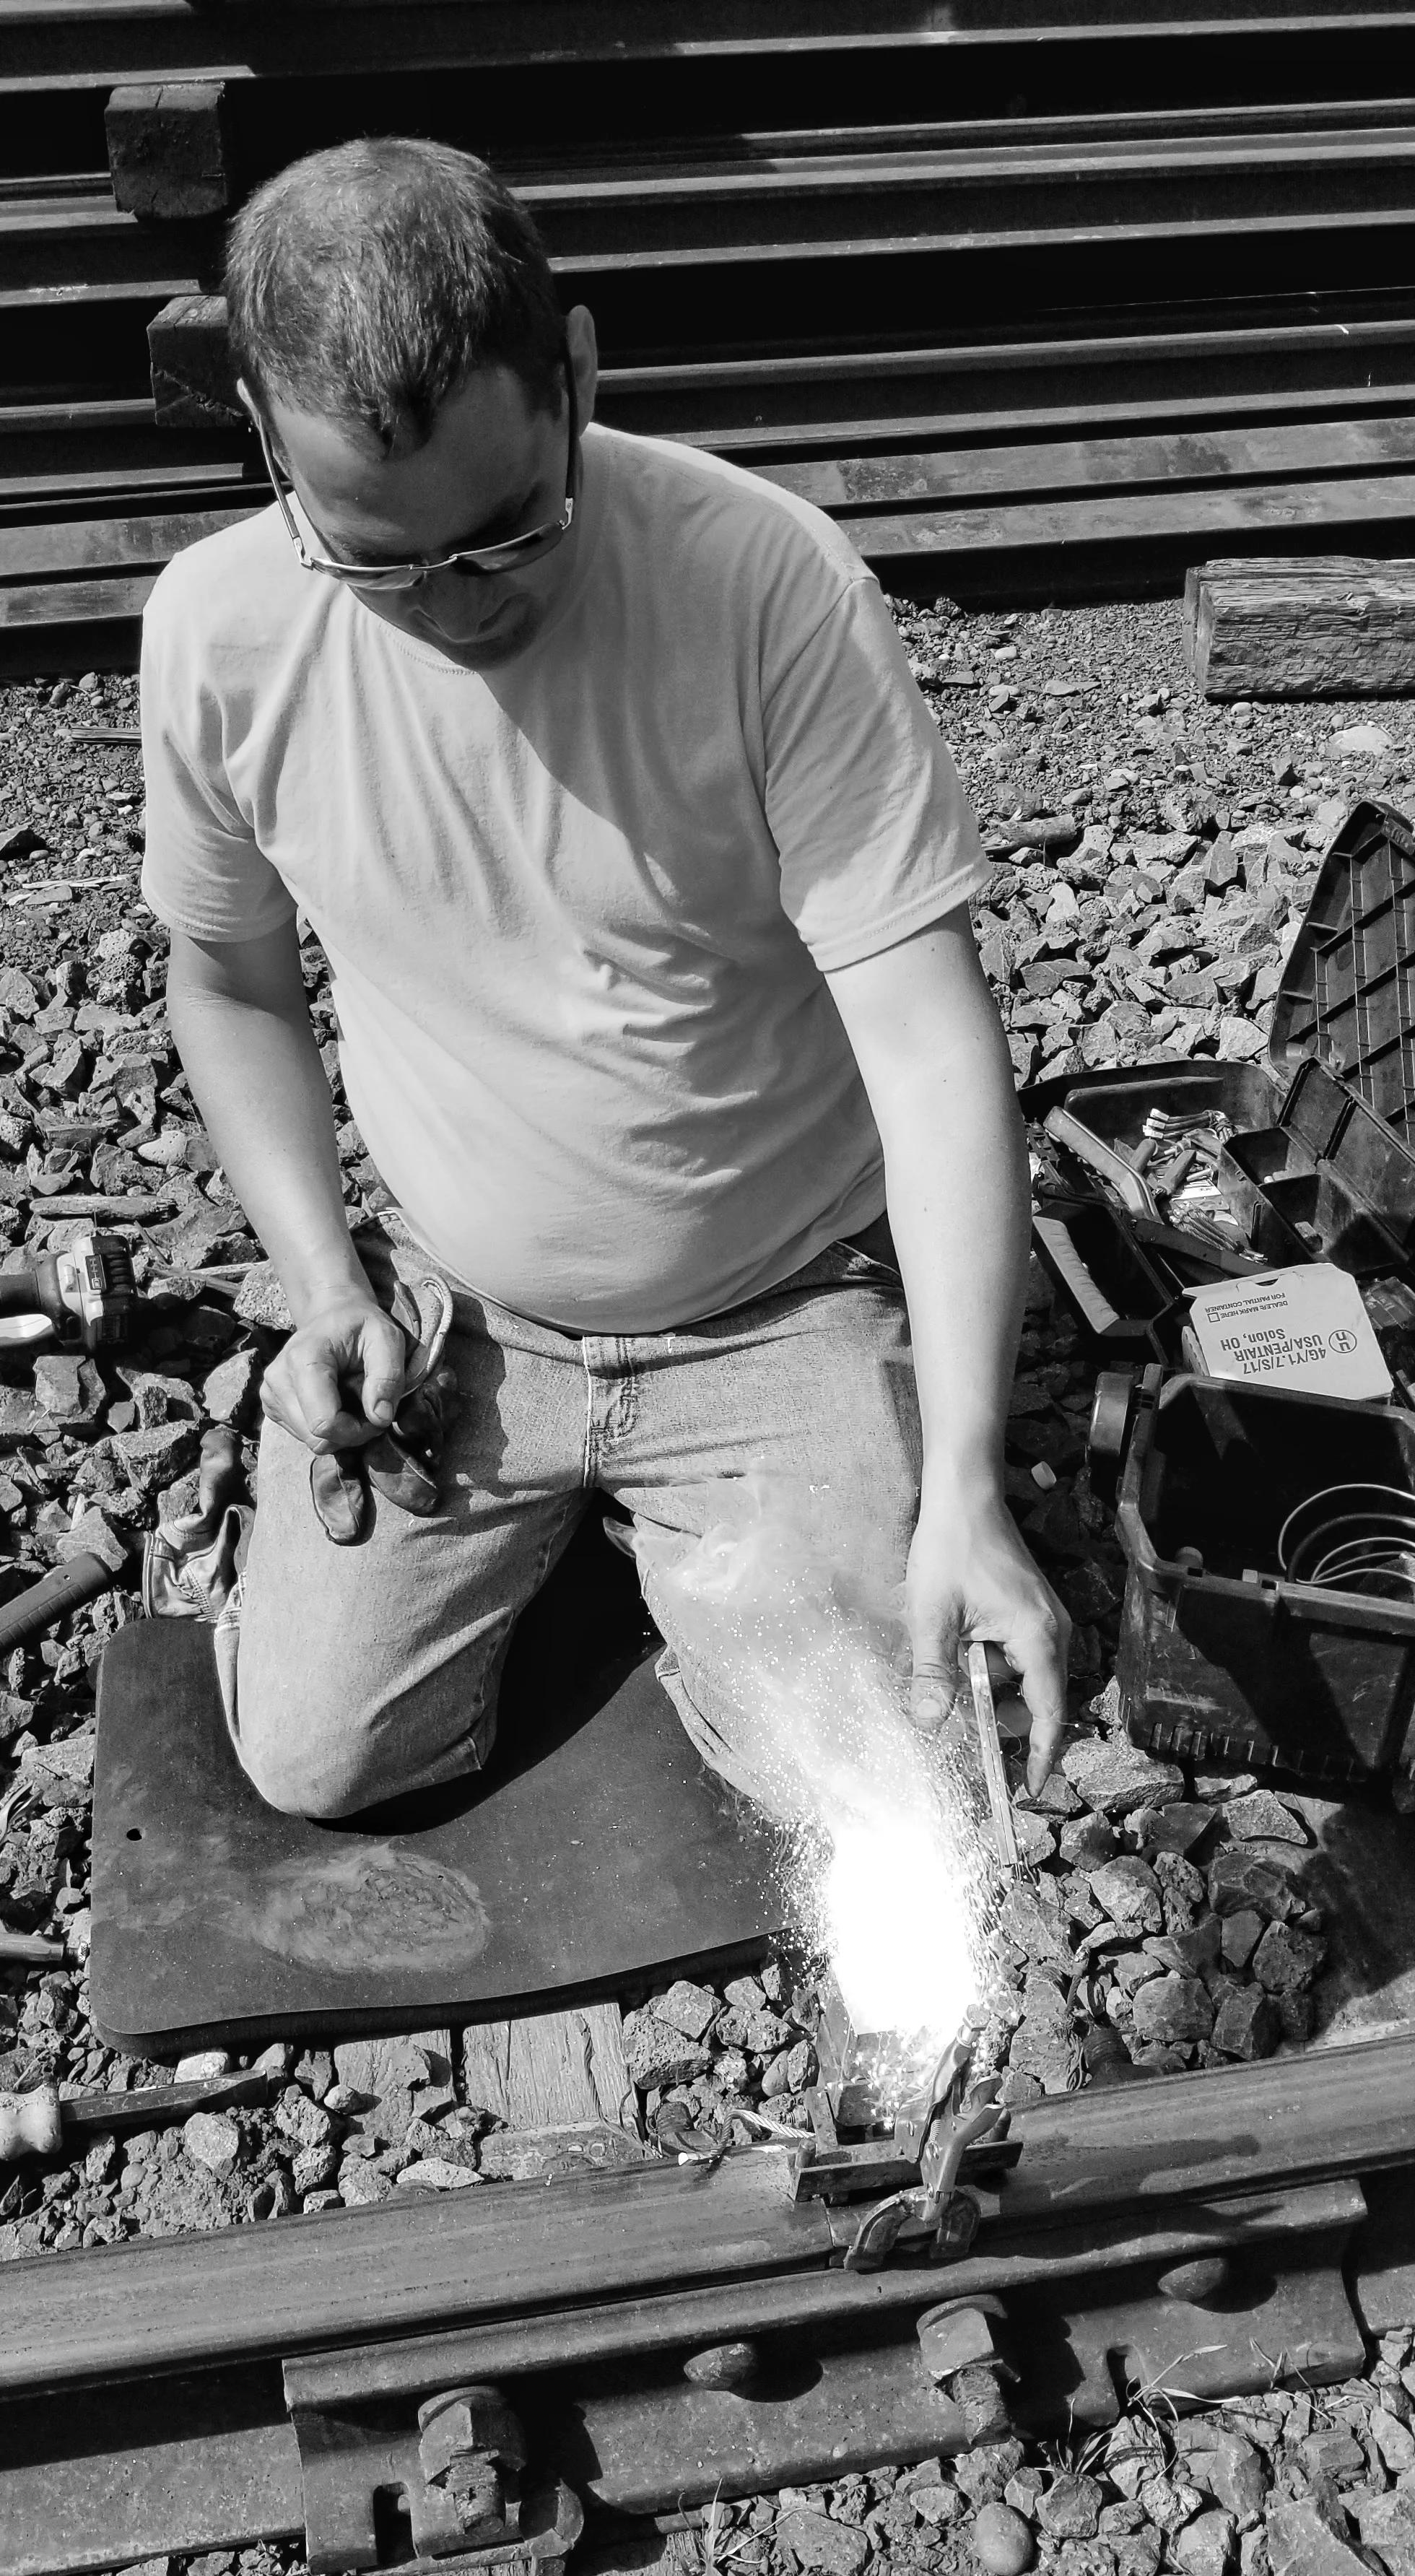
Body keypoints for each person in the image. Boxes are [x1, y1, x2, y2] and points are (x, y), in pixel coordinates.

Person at [139, 135, 1070, 1822]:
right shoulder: (218, 631)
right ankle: (651, 1551)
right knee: (312, 1761)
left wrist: (963, 1476)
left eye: (507, 532)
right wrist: (328, 1287)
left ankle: (724, 1524)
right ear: (268, 438)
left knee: (877, 1772)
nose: (456, 608)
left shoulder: (762, 585)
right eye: (378, 558)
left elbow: (929, 1047)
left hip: (770, 1295)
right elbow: (230, 980)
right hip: (463, 1312)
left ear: (575, 369)